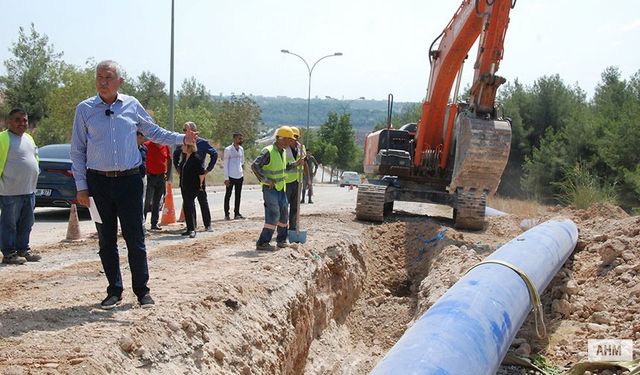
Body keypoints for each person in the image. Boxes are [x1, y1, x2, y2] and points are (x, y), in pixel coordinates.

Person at [70, 60, 197, 310]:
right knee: (106, 240)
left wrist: (182, 138)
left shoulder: (131, 105)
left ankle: (142, 291)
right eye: (99, 77)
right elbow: (77, 151)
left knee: (134, 237)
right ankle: (114, 290)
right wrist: (81, 186)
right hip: (98, 183)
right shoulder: (84, 110)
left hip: (129, 181)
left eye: (108, 77)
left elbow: (154, 132)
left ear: (120, 81)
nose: (103, 82)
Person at [0, 108, 42, 265]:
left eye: (24, 120)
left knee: (27, 223)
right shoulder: (3, 139)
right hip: (10, 192)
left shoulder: (29, 139)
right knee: (9, 224)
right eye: (17, 120)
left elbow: (34, 158)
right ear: (9, 122)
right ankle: (9, 253)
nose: (22, 123)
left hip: (29, 190)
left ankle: (23, 249)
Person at [252, 126, 302, 251]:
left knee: (284, 215)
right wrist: (265, 180)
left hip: (281, 189)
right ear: (280, 138)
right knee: (274, 215)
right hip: (270, 190)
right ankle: (263, 242)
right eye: (288, 139)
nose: (290, 142)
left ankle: (281, 240)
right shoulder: (268, 151)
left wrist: (296, 164)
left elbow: (284, 167)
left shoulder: (283, 152)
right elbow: (255, 166)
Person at [173, 122, 217, 232]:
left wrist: (208, 170)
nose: (184, 132)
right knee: (188, 202)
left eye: (186, 130)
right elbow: (176, 154)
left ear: (193, 131)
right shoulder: (183, 141)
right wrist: (178, 167)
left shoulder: (202, 143)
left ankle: (208, 225)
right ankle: (192, 226)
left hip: (198, 176)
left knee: (202, 200)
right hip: (186, 175)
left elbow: (214, 154)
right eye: (184, 130)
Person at [144, 139, 171, 231]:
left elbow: (169, 159)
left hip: (161, 177)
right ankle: (142, 223)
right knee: (147, 201)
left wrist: (168, 173)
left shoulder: (165, 146)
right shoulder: (147, 145)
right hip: (150, 176)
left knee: (158, 201)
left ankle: (154, 223)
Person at [179, 143, 205, 238]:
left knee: (189, 205)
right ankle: (189, 228)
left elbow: (201, 173)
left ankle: (192, 229)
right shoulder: (185, 157)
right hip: (184, 186)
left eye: (184, 145)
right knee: (186, 206)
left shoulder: (196, 158)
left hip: (192, 186)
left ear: (189, 147)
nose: (182, 147)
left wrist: (200, 184)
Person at [284, 127, 305, 231]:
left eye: (297, 137)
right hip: (287, 181)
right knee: (284, 206)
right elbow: (284, 165)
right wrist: (296, 163)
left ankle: (293, 227)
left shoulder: (301, 148)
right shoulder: (284, 149)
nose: (295, 139)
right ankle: (282, 227)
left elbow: (304, 160)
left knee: (295, 206)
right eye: (293, 137)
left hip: (298, 180)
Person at [223, 132, 245, 220]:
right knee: (228, 195)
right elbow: (225, 164)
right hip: (230, 176)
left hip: (239, 175)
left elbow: (242, 161)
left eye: (241, 138)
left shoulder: (241, 149)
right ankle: (226, 214)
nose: (240, 140)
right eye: (239, 138)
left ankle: (237, 213)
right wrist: (226, 178)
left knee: (238, 195)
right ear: (234, 139)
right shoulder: (228, 150)